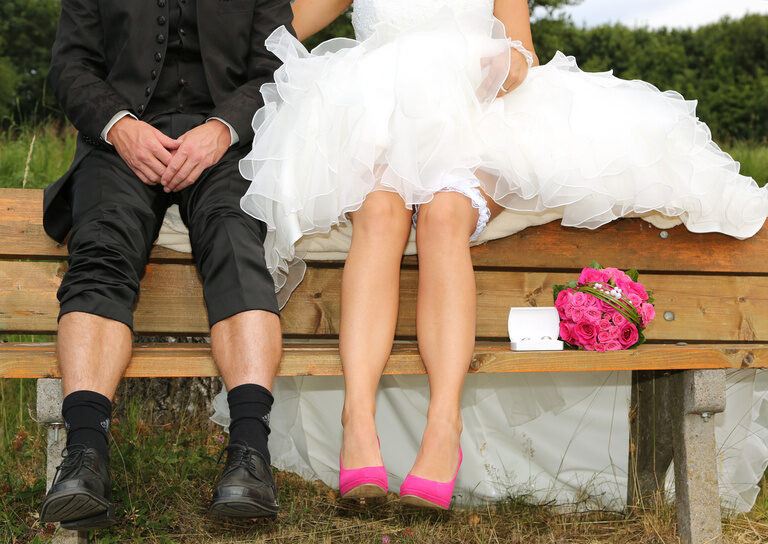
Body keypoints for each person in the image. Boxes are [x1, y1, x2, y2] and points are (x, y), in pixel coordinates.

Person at [235, 0, 768, 510]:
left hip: (474, 117)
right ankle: (358, 421)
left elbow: (522, 49)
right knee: (379, 215)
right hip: (381, 118)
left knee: (445, 216)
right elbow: (276, 25)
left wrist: (510, 62)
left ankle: (445, 427)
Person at [38, 0, 294, 529]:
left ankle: (250, 456)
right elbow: (70, 65)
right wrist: (118, 126)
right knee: (101, 248)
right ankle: (85, 457)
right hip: (120, 148)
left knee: (234, 240)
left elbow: (279, 68)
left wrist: (224, 127)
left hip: (224, 149)